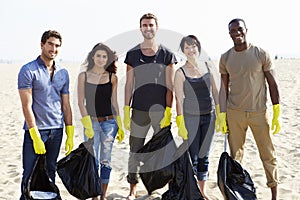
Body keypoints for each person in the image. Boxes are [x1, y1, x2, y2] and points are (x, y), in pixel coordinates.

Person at [218, 18, 281, 200]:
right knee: (235, 155)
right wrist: (222, 115)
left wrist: (276, 110)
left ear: (246, 30)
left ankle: (274, 194)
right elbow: (223, 88)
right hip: (234, 113)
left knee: (267, 154)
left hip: (258, 112)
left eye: (239, 29)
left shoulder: (260, 53)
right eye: (232, 30)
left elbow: (273, 83)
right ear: (229, 33)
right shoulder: (225, 57)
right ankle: (237, 194)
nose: (236, 33)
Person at [123, 13, 177, 199]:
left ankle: (167, 186)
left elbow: (171, 86)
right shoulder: (132, 54)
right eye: (144, 25)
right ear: (140, 28)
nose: (148, 28)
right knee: (135, 150)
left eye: (151, 25)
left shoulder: (167, 54)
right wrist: (125, 108)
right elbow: (129, 84)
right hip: (138, 110)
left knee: (165, 149)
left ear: (156, 27)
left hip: (160, 111)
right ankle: (132, 189)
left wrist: (169, 110)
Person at [17, 30, 74, 200]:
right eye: (50, 44)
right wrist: (34, 135)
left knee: (50, 174)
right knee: (29, 174)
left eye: (57, 46)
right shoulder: (28, 70)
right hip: (36, 131)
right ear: (42, 45)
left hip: (57, 131)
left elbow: (66, 105)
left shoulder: (63, 73)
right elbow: (26, 106)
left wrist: (69, 132)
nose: (53, 48)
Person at [77, 43, 124, 200]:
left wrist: (120, 124)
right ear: (92, 57)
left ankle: (102, 195)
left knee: (106, 160)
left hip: (109, 123)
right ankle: (94, 196)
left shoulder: (112, 77)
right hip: (91, 123)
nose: (101, 59)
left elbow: (114, 102)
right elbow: (80, 102)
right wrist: (87, 123)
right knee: (93, 159)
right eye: (98, 56)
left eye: (104, 56)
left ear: (108, 59)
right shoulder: (83, 76)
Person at [174, 35, 219, 199]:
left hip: (209, 117)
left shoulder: (208, 66)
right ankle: (191, 192)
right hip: (190, 119)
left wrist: (220, 114)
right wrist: (180, 123)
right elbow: (178, 99)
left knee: (204, 156)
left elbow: (215, 92)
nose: (191, 50)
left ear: (198, 48)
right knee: (193, 156)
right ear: (183, 51)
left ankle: (202, 191)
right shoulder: (180, 72)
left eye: (193, 46)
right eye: (187, 47)